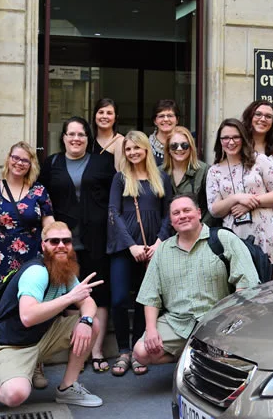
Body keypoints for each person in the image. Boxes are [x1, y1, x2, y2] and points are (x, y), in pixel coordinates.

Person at [0, 222, 104, 417]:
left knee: (93, 324)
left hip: (41, 338)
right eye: (54, 241)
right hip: (10, 345)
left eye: (66, 241)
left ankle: (67, 389)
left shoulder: (64, 269)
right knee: (16, 396)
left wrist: (85, 321)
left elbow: (88, 303)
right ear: (43, 245)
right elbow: (28, 316)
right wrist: (69, 298)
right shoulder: (37, 272)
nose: (61, 245)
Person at [132, 194, 259, 366]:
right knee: (141, 352)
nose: (182, 216)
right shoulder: (162, 250)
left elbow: (246, 282)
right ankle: (192, 357)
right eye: (176, 213)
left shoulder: (223, 238)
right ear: (171, 221)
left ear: (199, 213)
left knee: (236, 360)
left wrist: (233, 320)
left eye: (187, 210)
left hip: (217, 319)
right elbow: (150, 296)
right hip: (177, 322)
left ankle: (202, 355)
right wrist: (151, 329)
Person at [40, 116, 116, 374]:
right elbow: (42, 199)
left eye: (81, 135)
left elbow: (114, 197)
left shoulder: (103, 162)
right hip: (64, 243)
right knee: (69, 297)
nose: (75, 139)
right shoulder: (51, 163)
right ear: (63, 138)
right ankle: (77, 352)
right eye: (71, 134)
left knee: (99, 295)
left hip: (97, 238)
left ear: (88, 138)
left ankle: (95, 350)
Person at [107, 130, 172, 376]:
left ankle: (137, 350)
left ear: (146, 149)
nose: (133, 153)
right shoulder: (121, 178)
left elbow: (168, 214)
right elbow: (114, 212)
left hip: (153, 249)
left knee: (146, 301)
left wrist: (158, 243)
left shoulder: (161, 178)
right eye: (128, 149)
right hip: (125, 248)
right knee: (120, 299)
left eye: (137, 148)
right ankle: (123, 350)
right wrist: (130, 245)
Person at [206, 118, 273, 272]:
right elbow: (214, 209)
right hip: (234, 236)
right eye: (225, 138)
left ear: (243, 138)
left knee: (267, 287)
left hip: (265, 232)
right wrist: (235, 198)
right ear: (220, 141)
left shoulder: (261, 160)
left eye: (235, 137)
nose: (231, 142)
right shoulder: (214, 171)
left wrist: (248, 203)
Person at [0, 142, 54, 287]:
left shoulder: (38, 190)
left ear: (31, 165)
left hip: (32, 255)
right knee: (0, 299)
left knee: (30, 295)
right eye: (15, 158)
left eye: (25, 160)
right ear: (8, 159)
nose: (19, 163)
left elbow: (49, 224)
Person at [242, 100, 273, 229]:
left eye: (268, 116)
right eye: (258, 114)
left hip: (268, 220)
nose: (263, 119)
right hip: (238, 216)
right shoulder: (236, 146)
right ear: (250, 117)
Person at [160, 125, 219, 227]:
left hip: (197, 232)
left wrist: (199, 230)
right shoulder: (158, 173)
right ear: (168, 149)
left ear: (191, 147)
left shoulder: (204, 171)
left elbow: (212, 207)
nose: (179, 149)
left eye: (184, 145)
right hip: (165, 236)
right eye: (174, 146)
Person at [92, 98, 124, 171]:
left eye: (109, 113)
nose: (104, 116)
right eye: (101, 112)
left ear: (116, 117)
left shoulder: (120, 142)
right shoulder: (89, 140)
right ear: (95, 115)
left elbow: (120, 176)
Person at [149, 99, 180, 166]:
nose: (166, 119)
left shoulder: (185, 144)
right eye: (161, 116)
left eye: (170, 116)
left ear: (177, 120)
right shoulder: (146, 145)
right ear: (155, 121)